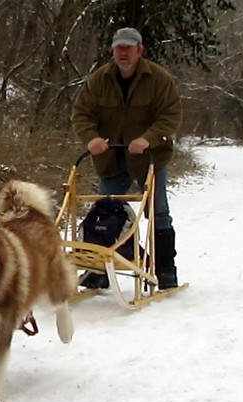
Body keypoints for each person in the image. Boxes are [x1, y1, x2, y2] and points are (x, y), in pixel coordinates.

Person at [71, 27, 182, 290]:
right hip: (110, 159)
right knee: (106, 213)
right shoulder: (99, 80)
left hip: (149, 158)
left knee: (158, 213)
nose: (123, 53)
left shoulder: (158, 79)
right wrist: (92, 139)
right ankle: (100, 269)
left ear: (139, 50)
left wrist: (148, 138)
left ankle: (165, 269)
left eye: (128, 47)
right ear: (113, 51)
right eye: (119, 47)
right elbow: (81, 114)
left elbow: (171, 116)